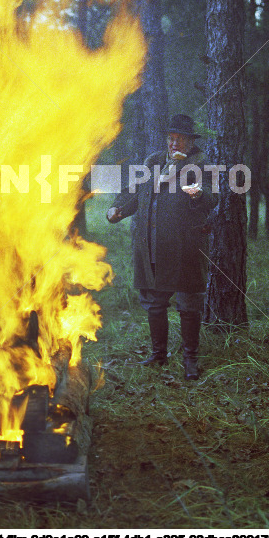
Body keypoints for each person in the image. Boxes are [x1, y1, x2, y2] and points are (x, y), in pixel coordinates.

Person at [107, 114, 218, 380]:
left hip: (185, 246)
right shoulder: (154, 162)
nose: (174, 143)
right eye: (171, 138)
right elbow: (135, 192)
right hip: (153, 245)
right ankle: (159, 355)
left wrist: (198, 193)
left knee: (189, 302)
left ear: (191, 141)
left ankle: (190, 358)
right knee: (155, 302)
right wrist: (118, 209)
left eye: (180, 138)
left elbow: (212, 198)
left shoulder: (200, 165)